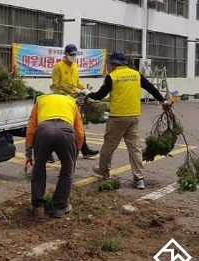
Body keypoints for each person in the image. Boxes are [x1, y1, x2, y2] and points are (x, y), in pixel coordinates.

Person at [87, 52, 172, 189]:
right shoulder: (136, 74)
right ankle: (139, 179)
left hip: (117, 118)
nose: (109, 67)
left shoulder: (112, 77)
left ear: (114, 64)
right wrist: (162, 100)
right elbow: (150, 88)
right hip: (133, 117)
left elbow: (99, 96)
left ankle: (104, 172)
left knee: (109, 146)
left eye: (110, 64)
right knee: (134, 148)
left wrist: (87, 93)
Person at [23, 93, 85, 219]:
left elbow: (31, 127)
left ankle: (38, 207)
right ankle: (60, 207)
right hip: (66, 132)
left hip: (43, 131)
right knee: (67, 171)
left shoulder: (40, 101)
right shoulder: (71, 102)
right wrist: (75, 156)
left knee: (38, 169)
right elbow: (79, 130)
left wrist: (29, 154)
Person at [51, 44, 99, 159]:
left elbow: (76, 82)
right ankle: (48, 153)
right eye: (71, 54)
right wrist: (66, 93)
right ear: (66, 54)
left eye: (75, 54)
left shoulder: (75, 66)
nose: (73, 57)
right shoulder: (58, 67)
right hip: (61, 100)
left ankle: (85, 149)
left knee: (78, 125)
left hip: (73, 100)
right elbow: (55, 85)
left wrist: (85, 89)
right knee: (59, 127)